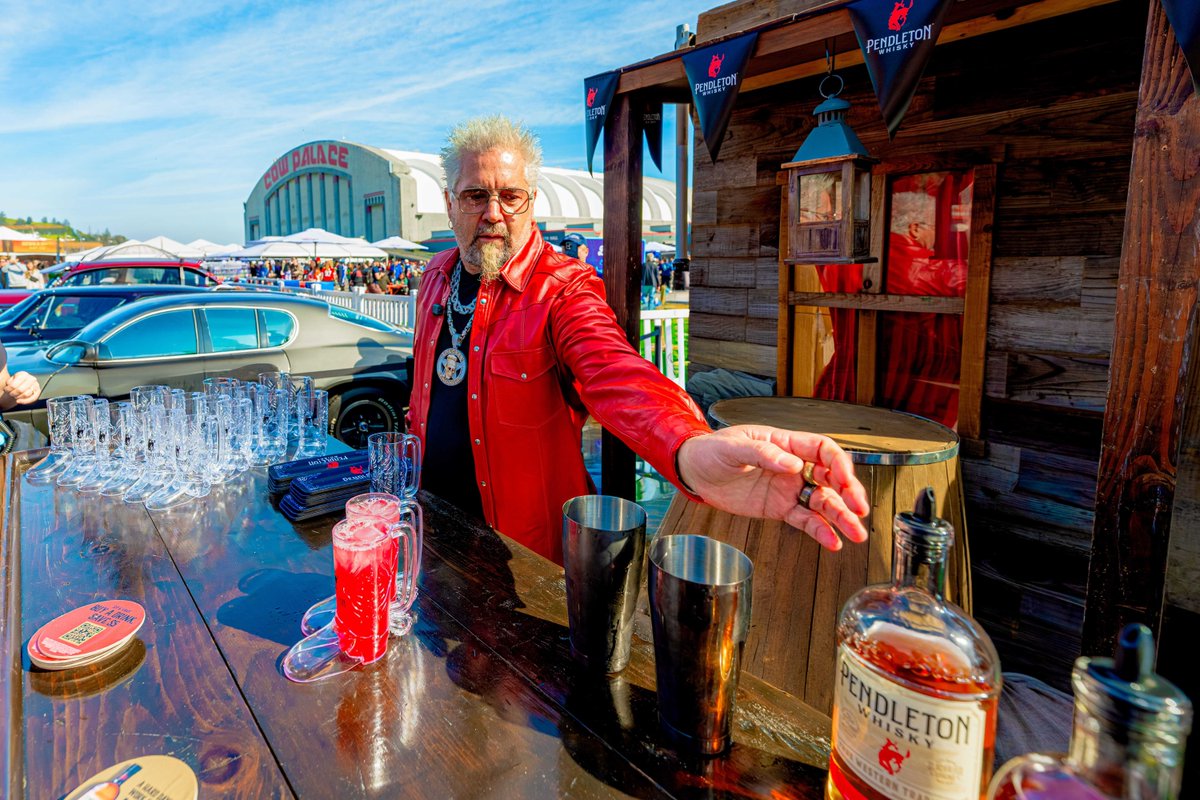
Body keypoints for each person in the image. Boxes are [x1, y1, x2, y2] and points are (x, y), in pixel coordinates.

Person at [406, 115, 869, 564]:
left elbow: (613, 369)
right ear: (450, 203)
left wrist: (687, 446)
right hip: (432, 530)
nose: (493, 213)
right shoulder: (434, 276)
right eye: (474, 196)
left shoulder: (562, 287)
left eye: (510, 196)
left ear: (531, 202)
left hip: (520, 555)